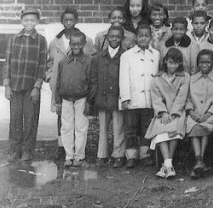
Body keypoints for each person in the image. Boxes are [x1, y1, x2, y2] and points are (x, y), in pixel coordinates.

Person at [4, 8, 48, 163]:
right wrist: (7, 85)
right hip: (15, 86)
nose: (29, 23)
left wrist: (37, 86)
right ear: (21, 21)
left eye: (32, 20)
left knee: (30, 119)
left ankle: (27, 150)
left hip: (31, 88)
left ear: (37, 22)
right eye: (26, 20)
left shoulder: (41, 40)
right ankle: (15, 150)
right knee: (15, 119)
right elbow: (7, 63)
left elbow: (42, 65)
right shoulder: (14, 39)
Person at [119, 25, 161, 169]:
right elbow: (123, 78)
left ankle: (144, 154)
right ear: (136, 37)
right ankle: (131, 156)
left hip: (149, 99)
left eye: (146, 35)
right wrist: (125, 97)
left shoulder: (155, 54)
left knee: (146, 127)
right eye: (141, 35)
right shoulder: (127, 55)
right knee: (130, 128)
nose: (143, 38)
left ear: (151, 37)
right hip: (133, 98)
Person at [145, 48, 189, 178]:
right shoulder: (157, 78)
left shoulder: (184, 77)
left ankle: (166, 165)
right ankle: (169, 165)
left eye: (176, 63)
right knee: (160, 130)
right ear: (165, 61)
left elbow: (182, 97)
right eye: (170, 62)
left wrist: (174, 113)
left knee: (174, 129)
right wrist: (163, 113)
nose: (173, 66)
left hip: (177, 112)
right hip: (162, 113)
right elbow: (156, 98)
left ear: (180, 63)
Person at [53, 29, 92, 168]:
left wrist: (89, 101)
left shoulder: (87, 62)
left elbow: (92, 82)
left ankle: (79, 156)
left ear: (84, 44)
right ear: (69, 44)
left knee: (81, 128)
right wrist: (58, 101)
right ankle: (69, 155)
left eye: (79, 44)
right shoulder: (64, 62)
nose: (76, 47)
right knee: (66, 127)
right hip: (66, 100)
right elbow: (58, 82)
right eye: (73, 44)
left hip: (81, 99)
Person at [88, 25, 126, 167]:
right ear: (107, 37)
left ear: (121, 38)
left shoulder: (125, 56)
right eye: (111, 36)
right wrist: (93, 96)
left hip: (118, 97)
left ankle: (118, 154)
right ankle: (102, 154)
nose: (114, 39)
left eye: (117, 37)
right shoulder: (98, 57)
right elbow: (93, 78)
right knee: (103, 127)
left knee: (118, 126)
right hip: (102, 96)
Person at [184, 48, 213, 179]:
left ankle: (199, 162)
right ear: (198, 63)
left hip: (210, 115)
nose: (204, 65)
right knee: (194, 128)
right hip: (194, 114)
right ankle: (199, 161)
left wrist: (209, 113)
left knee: (204, 127)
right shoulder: (192, 79)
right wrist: (191, 112)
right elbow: (187, 98)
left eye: (207, 62)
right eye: (201, 62)